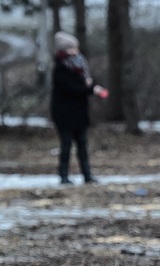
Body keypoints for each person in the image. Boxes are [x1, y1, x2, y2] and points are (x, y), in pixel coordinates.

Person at [50, 32, 108, 185]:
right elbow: (71, 89)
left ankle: (87, 175)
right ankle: (63, 175)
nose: (75, 50)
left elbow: (83, 86)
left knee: (82, 144)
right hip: (64, 114)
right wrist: (90, 90)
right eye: (71, 48)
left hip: (79, 113)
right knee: (66, 145)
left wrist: (92, 86)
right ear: (64, 50)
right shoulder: (60, 69)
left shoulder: (81, 66)